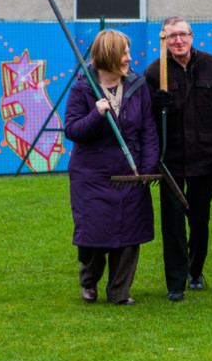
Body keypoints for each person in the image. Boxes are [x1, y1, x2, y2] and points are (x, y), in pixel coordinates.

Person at [145, 17, 212, 302]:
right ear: (164, 41)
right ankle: (176, 283)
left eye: (182, 35)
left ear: (192, 37)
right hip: (170, 159)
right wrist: (156, 106)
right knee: (172, 223)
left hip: (204, 157)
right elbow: (145, 121)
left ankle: (195, 270)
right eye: (171, 36)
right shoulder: (154, 72)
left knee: (199, 219)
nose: (178, 41)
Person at [65, 29, 159, 305]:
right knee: (94, 235)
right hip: (91, 174)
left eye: (128, 51)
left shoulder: (137, 85)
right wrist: (97, 114)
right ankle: (89, 280)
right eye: (124, 53)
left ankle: (119, 292)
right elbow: (73, 130)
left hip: (130, 173)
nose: (129, 58)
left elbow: (148, 131)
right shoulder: (82, 88)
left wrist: (146, 168)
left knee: (130, 234)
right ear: (107, 55)